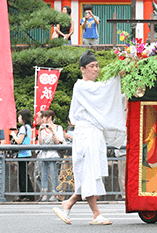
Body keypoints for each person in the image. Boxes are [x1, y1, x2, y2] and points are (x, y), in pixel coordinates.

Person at [53, 50, 126, 225]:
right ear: (82, 69)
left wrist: (124, 93)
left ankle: (68, 203)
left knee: (90, 173)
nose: (96, 69)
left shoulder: (92, 87)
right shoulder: (81, 86)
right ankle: (95, 214)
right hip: (86, 133)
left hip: (93, 133)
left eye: (97, 66)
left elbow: (106, 98)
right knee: (90, 172)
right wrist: (118, 76)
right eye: (92, 66)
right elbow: (103, 92)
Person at [38, 109, 64, 202]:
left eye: (45, 117)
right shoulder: (42, 128)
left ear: (50, 118)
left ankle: (55, 194)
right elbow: (40, 143)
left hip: (53, 154)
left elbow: (58, 141)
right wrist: (39, 131)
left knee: (54, 175)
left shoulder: (58, 128)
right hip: (43, 155)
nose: (43, 119)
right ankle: (44, 194)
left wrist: (52, 130)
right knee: (43, 175)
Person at [11, 109, 35, 201]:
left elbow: (19, 141)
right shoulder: (28, 127)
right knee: (24, 175)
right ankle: (26, 194)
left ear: (23, 118)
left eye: (19, 116)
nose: (18, 118)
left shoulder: (23, 128)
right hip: (27, 153)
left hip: (22, 154)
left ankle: (26, 195)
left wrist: (13, 135)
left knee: (23, 175)